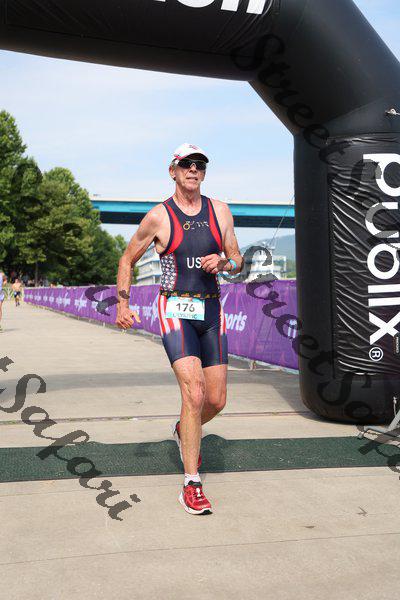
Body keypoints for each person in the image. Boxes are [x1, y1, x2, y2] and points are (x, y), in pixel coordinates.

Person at [116, 143, 243, 515]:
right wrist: (122, 303)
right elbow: (127, 258)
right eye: (186, 164)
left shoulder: (220, 211)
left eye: (200, 165)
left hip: (211, 308)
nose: (193, 170)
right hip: (175, 307)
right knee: (194, 392)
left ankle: (183, 429)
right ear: (172, 170)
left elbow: (237, 258)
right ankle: (191, 483)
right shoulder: (159, 216)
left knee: (215, 400)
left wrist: (224, 262)